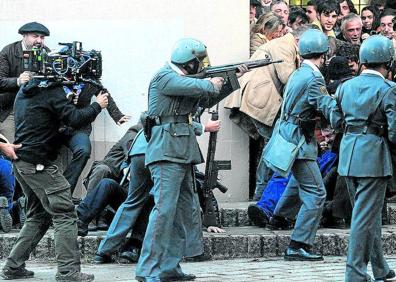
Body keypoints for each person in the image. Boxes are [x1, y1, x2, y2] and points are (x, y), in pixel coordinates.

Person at [134, 38, 247, 281]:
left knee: (183, 210)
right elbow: (201, 88)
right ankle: (148, 269)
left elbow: (206, 98)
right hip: (166, 150)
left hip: (181, 150)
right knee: (164, 211)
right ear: (190, 61)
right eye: (200, 61)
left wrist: (230, 79)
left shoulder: (188, 81)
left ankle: (168, 268)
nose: (203, 65)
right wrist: (212, 81)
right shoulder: (166, 76)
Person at [0, 78, 109, 281]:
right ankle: (68, 272)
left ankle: (12, 267)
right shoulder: (52, 92)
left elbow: (47, 114)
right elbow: (75, 119)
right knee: (65, 214)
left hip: (23, 163)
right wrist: (97, 105)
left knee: (38, 216)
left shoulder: (27, 89)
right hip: (39, 165)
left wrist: (65, 98)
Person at [266, 29, 342, 261]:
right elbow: (325, 104)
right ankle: (298, 244)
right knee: (316, 192)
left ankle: (280, 216)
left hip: (289, 135)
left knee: (301, 180)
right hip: (300, 140)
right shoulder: (314, 77)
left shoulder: (299, 73)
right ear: (324, 54)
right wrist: (342, 115)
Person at [334, 35, 396, 282]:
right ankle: (355, 272)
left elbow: (336, 120)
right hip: (373, 158)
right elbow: (394, 131)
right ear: (388, 62)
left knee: (367, 215)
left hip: (348, 155)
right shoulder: (388, 90)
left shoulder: (345, 86)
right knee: (363, 217)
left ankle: (379, 267)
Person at [225, 25, 310, 201]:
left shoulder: (284, 44)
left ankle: (263, 192)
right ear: (300, 40)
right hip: (259, 98)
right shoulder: (284, 46)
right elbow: (289, 79)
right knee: (274, 147)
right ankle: (262, 193)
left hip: (257, 97)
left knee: (271, 145)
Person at [0, 22, 49, 143]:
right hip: (10, 108)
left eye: (42, 37)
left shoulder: (45, 53)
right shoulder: (8, 51)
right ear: (24, 36)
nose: (39, 41)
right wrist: (17, 81)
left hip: (36, 108)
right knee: (12, 144)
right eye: (35, 36)